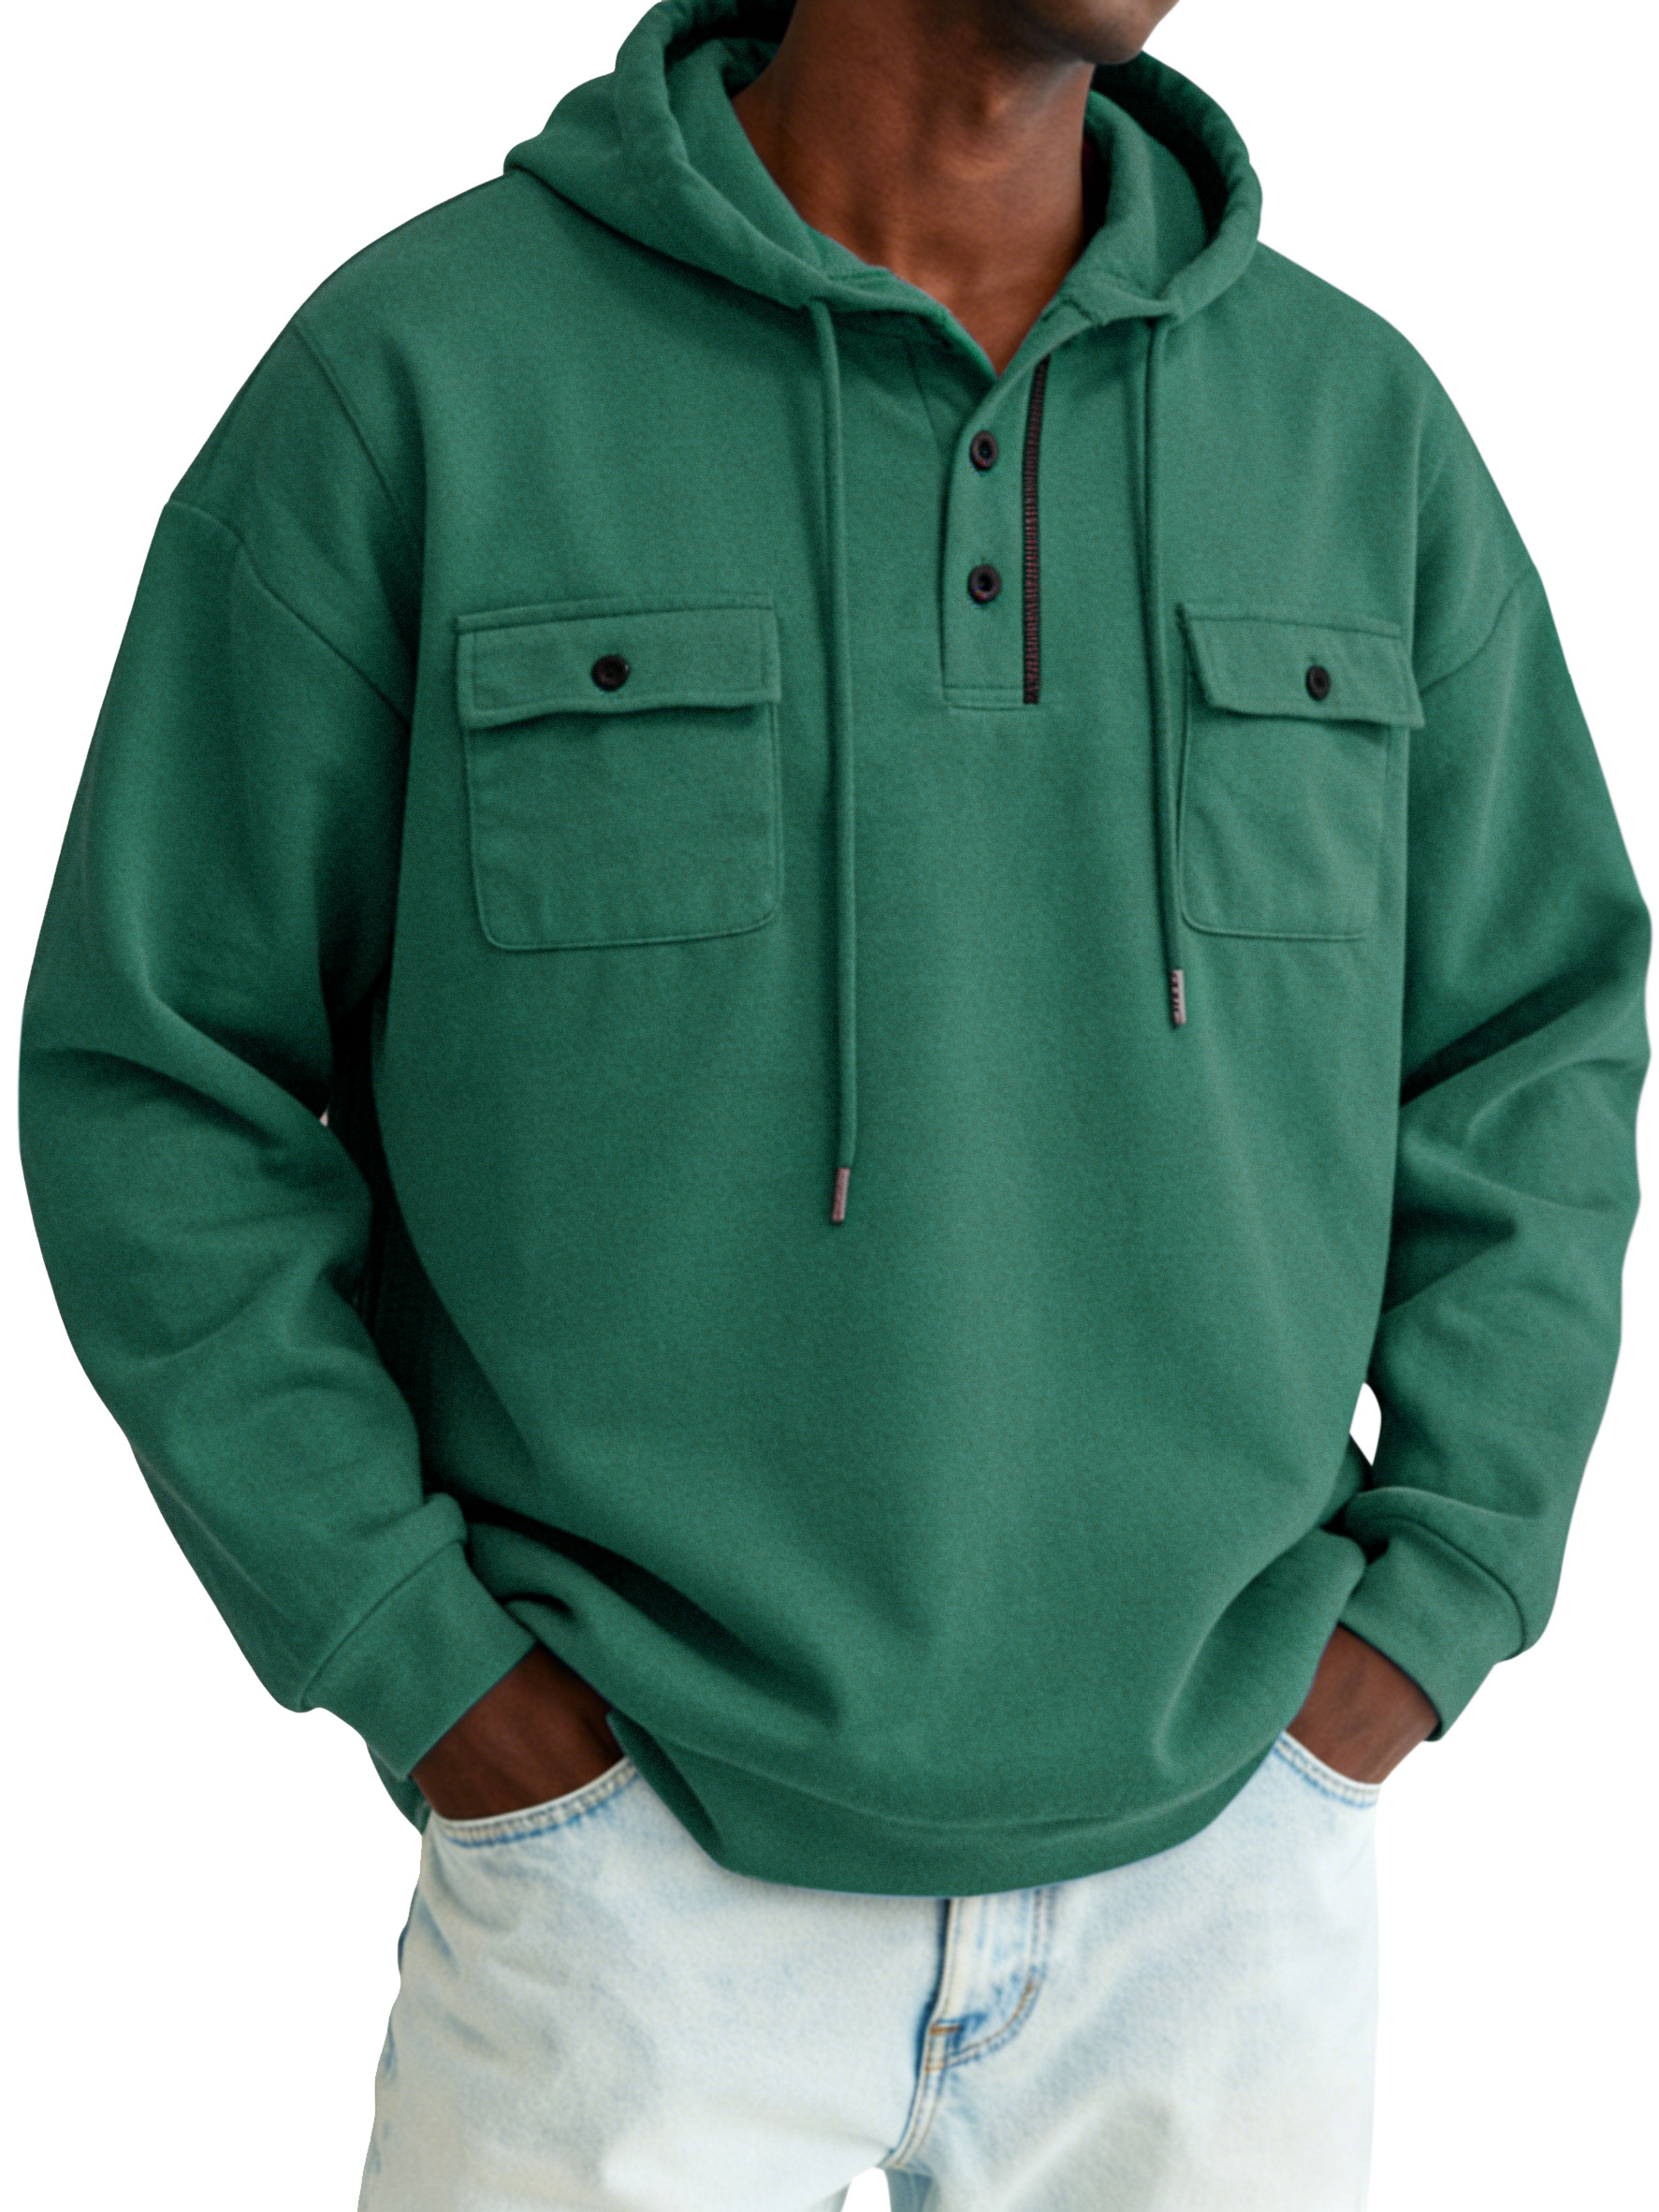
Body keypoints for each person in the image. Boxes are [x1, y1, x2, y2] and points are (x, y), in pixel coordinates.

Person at [18, 0, 1649, 2204]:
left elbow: (1532, 1041)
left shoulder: (1351, 426)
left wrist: (1426, 1609)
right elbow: (160, 1073)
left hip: (1219, 1879)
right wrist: (422, 1664)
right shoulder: (423, 377)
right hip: (624, 1886)